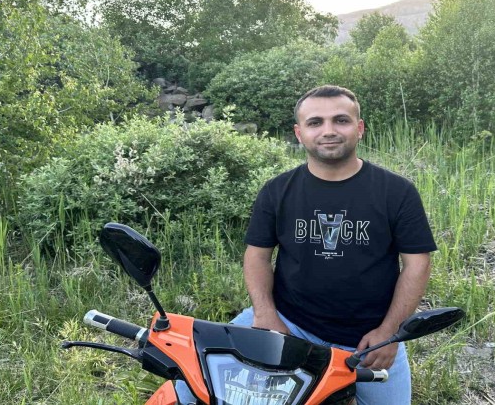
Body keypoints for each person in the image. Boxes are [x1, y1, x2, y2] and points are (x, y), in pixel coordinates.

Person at [176, 85, 436, 404]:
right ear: (299, 133)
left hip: (369, 338)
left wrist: (390, 333)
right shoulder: (277, 190)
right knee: (192, 384)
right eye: (315, 122)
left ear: (359, 128)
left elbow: (417, 264)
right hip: (290, 322)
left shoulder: (397, 192)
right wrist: (266, 314)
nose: (328, 131)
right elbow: (257, 256)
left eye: (340, 120)